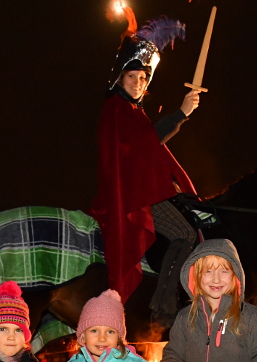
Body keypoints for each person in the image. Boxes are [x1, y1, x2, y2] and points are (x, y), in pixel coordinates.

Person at [89, 9, 202, 318]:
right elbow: (144, 145)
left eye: (143, 78)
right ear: (119, 77)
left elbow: (149, 146)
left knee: (192, 227)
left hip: (146, 191)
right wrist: (180, 114)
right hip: (137, 196)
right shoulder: (115, 109)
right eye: (132, 77)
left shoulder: (134, 111)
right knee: (186, 234)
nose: (138, 83)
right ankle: (163, 305)